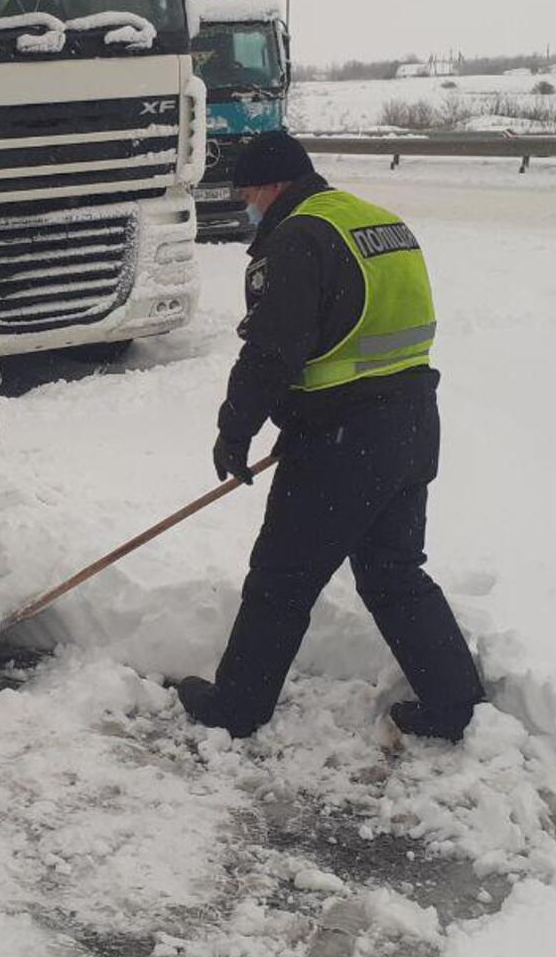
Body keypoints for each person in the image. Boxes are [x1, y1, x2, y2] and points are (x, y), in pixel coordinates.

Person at [176, 131, 486, 742]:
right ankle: (454, 704)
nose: (246, 206)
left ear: (269, 186)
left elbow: (271, 350)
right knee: (394, 572)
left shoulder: (297, 238)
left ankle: (237, 707)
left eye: (246, 194)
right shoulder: (377, 222)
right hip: (415, 423)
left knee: (280, 577)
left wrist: (234, 432)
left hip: (343, 437)